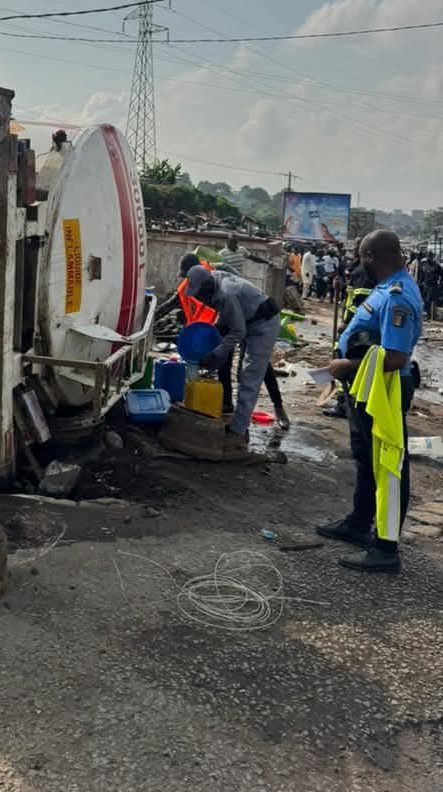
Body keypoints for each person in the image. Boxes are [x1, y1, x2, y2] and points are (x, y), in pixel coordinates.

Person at [316, 230, 422, 574]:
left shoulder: (398, 295)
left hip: (385, 390)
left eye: (361, 255)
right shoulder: (383, 288)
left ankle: (385, 549)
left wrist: (346, 364)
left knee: (388, 466)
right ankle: (359, 524)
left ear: (372, 257)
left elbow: (395, 357)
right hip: (366, 387)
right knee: (365, 456)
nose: (359, 261)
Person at [176, 255, 290, 435]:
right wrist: (213, 331)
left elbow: (238, 331)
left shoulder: (226, 292)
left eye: (199, 293)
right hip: (249, 319)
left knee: (249, 376)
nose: (199, 298)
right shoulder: (215, 278)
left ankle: (238, 430)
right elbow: (227, 315)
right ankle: (240, 420)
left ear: (206, 287)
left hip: (263, 324)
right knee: (241, 374)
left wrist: (216, 354)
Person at [323, 239, 375, 418]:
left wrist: (346, 321)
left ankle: (343, 405)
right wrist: (342, 285)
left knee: (343, 361)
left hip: (355, 325)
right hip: (357, 324)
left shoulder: (362, 272)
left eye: (356, 248)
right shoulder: (359, 269)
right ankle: (345, 402)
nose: (353, 250)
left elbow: (359, 300)